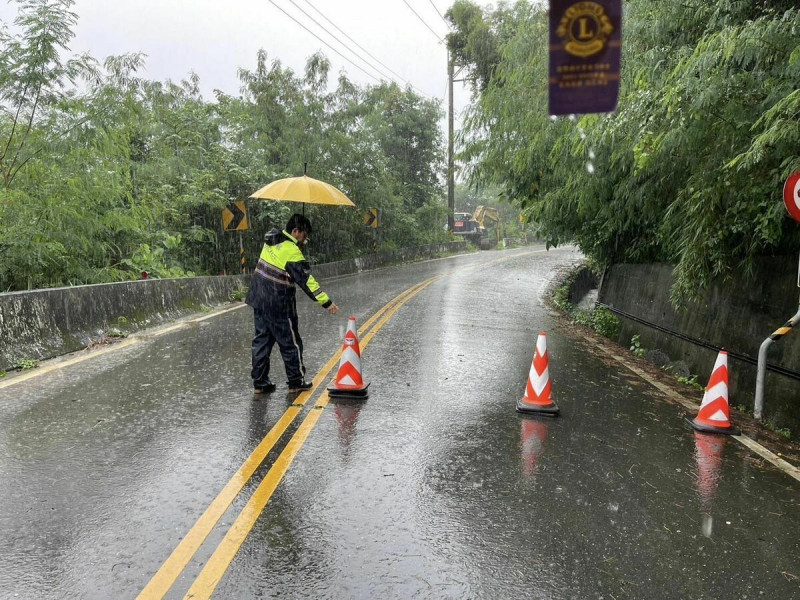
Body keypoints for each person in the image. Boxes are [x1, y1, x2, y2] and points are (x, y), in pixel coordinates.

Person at [245, 213, 339, 395]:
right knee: (290, 342)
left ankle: (260, 383)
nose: (304, 240)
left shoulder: (271, 239)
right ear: (295, 231)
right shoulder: (291, 250)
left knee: (261, 342)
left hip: (258, 298)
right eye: (304, 235)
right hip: (278, 302)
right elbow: (306, 280)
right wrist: (325, 302)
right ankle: (296, 381)